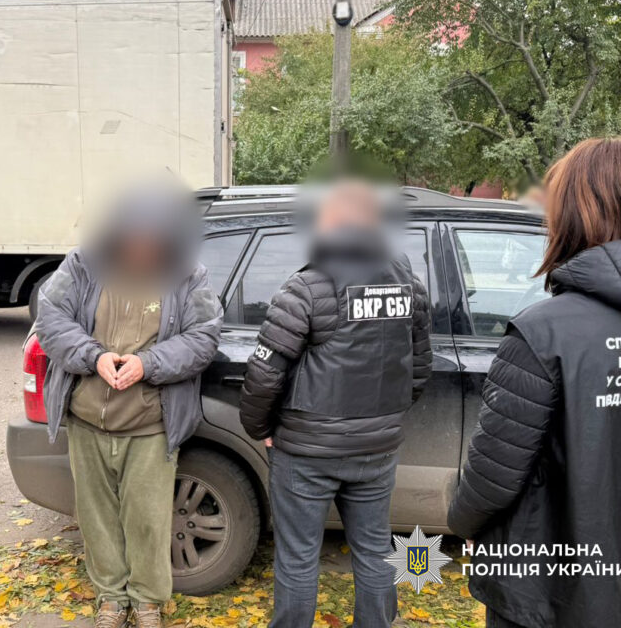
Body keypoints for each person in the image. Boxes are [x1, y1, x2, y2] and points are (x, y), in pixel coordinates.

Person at [239, 182, 432, 628]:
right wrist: (384, 419)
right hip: (376, 449)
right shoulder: (409, 284)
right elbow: (420, 367)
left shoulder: (307, 286)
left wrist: (260, 427)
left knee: (298, 557)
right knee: (376, 550)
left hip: (306, 451)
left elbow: (265, 373)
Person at [448, 138, 621, 628]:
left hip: (552, 589)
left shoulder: (542, 333)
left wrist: (463, 523)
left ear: (570, 217)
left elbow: (493, 474)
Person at [34, 182, 223, 628]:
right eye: (134, 235)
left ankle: (147, 601)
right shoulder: (83, 264)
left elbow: (204, 337)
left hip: (150, 424)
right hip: (87, 419)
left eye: (152, 236)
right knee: (97, 520)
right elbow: (51, 319)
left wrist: (147, 364)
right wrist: (93, 356)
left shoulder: (187, 275)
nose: (142, 246)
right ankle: (111, 599)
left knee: (149, 521)